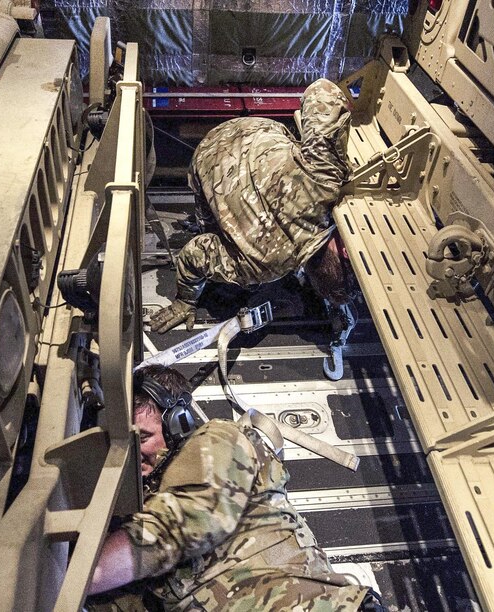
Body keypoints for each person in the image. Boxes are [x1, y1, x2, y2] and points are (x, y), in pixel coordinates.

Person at [87, 365, 376, 610]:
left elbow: (179, 525)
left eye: (143, 437)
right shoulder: (145, 507)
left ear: (178, 422)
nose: (132, 451)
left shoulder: (219, 440)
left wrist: (73, 577)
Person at [149, 79, 357, 334]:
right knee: (217, 237)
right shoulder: (261, 269)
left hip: (240, 133)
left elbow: (321, 89)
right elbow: (196, 253)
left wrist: (338, 151)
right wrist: (186, 300)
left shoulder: (326, 180)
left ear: (345, 252)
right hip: (207, 166)